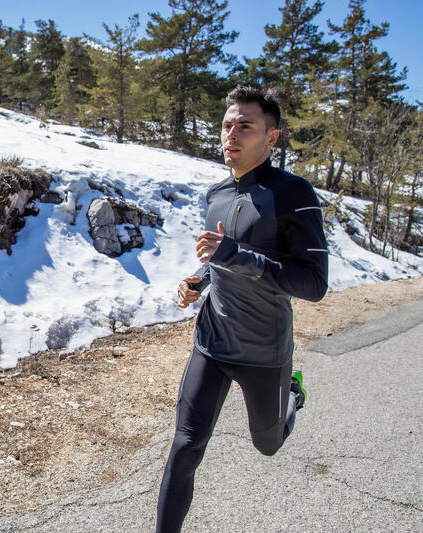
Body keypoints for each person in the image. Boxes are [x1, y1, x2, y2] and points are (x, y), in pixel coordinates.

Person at [156, 85, 329, 532]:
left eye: (245, 126)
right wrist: (198, 281)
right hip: (211, 342)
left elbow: (313, 283)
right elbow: (220, 258)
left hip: (264, 352)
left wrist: (237, 255)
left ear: (271, 138)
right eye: (227, 124)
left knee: (268, 445)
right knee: (185, 447)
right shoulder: (216, 192)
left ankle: (292, 393)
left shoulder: (293, 193)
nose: (231, 134)